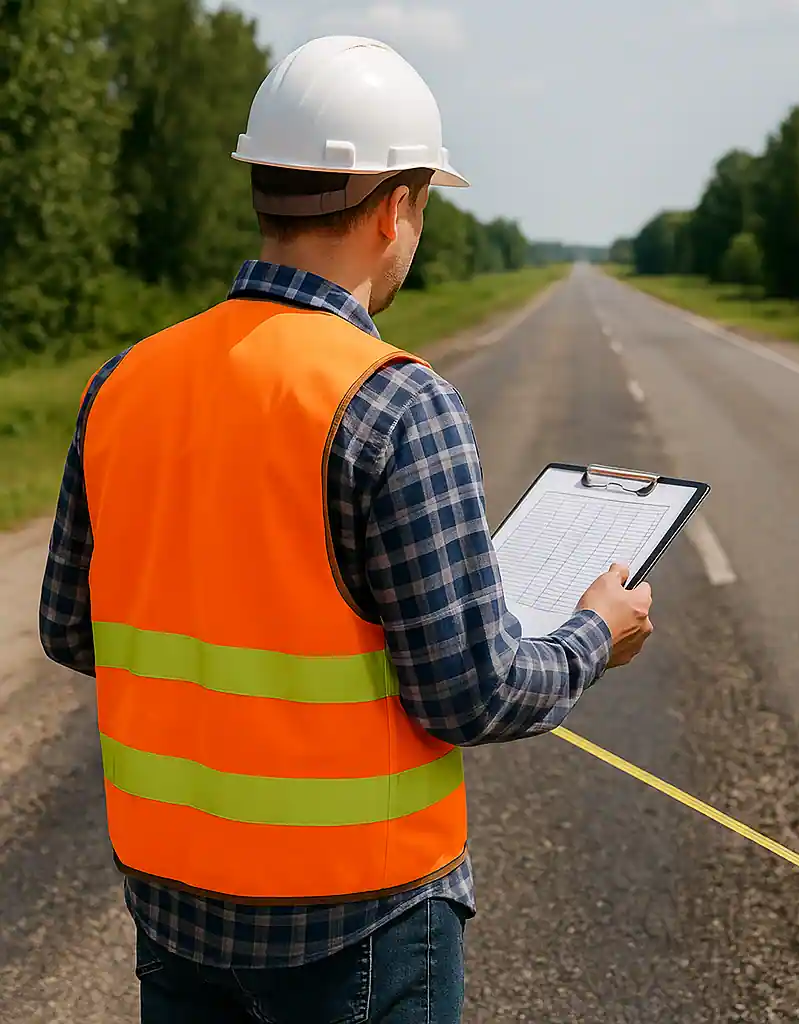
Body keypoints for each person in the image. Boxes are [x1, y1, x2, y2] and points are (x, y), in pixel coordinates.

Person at [38, 34, 654, 1024]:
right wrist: (593, 633)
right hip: (358, 919)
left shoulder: (126, 381)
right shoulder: (398, 404)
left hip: (171, 902)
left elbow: (73, 629)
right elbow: (472, 692)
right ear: (394, 208)